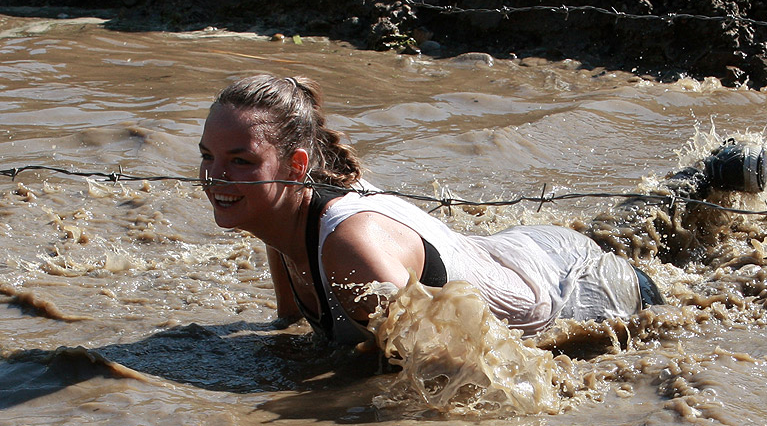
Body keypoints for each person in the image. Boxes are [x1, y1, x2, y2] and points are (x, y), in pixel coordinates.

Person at [199, 74, 663, 347]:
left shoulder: (349, 252)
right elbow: (291, 329)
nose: (215, 176)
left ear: (296, 166)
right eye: (207, 156)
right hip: (519, 252)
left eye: (241, 160)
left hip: (573, 288)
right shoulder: (278, 218)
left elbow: (463, 369)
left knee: (681, 282)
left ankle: (719, 174)